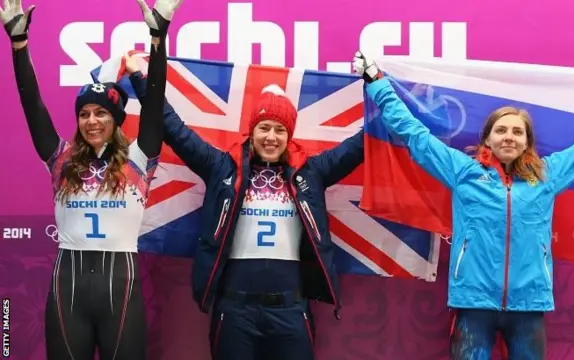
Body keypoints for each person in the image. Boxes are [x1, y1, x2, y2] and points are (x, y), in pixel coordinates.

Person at [352, 51, 574, 359]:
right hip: (473, 304)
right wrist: (377, 84)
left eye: (517, 132)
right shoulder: (463, 172)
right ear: (486, 139)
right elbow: (415, 135)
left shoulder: (547, 176)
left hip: (528, 305)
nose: (509, 137)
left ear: (527, 142)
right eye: (501, 130)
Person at [125, 68, 364, 358]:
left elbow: (361, 145)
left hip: (291, 312)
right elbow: (172, 127)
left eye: (280, 130)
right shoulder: (222, 168)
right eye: (264, 128)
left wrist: (379, 88)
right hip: (235, 312)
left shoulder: (310, 173)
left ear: (289, 135)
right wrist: (140, 76)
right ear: (252, 132)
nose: (271, 137)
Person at [1, 0, 182, 358]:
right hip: (68, 293)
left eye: (101, 113)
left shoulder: (138, 157)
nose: (92, 121)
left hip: (121, 292)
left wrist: (158, 36)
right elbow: (32, 107)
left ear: (115, 119)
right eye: (84, 114)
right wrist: (19, 45)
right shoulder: (61, 160)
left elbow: (156, 100)